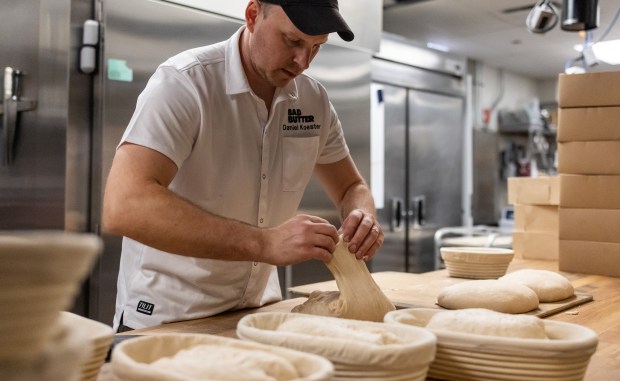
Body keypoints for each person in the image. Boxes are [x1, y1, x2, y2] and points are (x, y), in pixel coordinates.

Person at [103, 0, 384, 332]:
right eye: (293, 41)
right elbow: (125, 206)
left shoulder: (314, 102)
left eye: (316, 47)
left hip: (256, 315)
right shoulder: (185, 84)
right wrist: (264, 243)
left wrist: (362, 216)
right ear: (253, 15)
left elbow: (352, 187)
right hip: (167, 317)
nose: (303, 62)